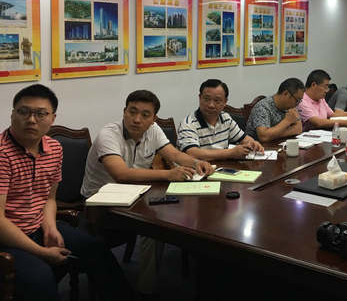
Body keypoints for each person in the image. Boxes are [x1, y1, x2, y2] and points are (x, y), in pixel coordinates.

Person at [0, 84, 133, 301]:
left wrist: (50, 229)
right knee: (40, 277)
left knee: (96, 250)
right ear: (12, 114)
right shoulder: (2, 153)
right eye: (23, 112)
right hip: (7, 237)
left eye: (41, 113)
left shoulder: (54, 148)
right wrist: (41, 252)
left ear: (52, 118)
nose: (31, 120)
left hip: (38, 226)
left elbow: (49, 199)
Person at [80, 89, 213, 296]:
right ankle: (145, 290)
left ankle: (151, 285)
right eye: (132, 112)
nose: (137, 119)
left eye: (145, 114)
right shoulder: (108, 134)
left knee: (166, 218)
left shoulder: (153, 130)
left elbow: (174, 154)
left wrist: (197, 163)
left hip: (137, 194)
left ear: (153, 119)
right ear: (124, 111)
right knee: (154, 226)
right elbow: (121, 174)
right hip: (101, 202)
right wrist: (168, 174)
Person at [178, 79, 263, 160]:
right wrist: (230, 153)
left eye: (217, 100)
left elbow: (243, 139)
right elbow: (193, 153)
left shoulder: (226, 118)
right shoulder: (188, 124)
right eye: (207, 99)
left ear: (225, 102)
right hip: (198, 169)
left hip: (223, 167)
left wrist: (253, 143)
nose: (211, 105)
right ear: (200, 98)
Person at [245, 78, 305, 142]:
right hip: (257, 146)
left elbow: (298, 129)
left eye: (299, 101)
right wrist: (287, 121)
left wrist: (274, 134)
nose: (297, 104)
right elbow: (264, 137)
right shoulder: (263, 107)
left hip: (279, 144)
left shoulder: (290, 106)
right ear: (286, 93)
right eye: (297, 100)